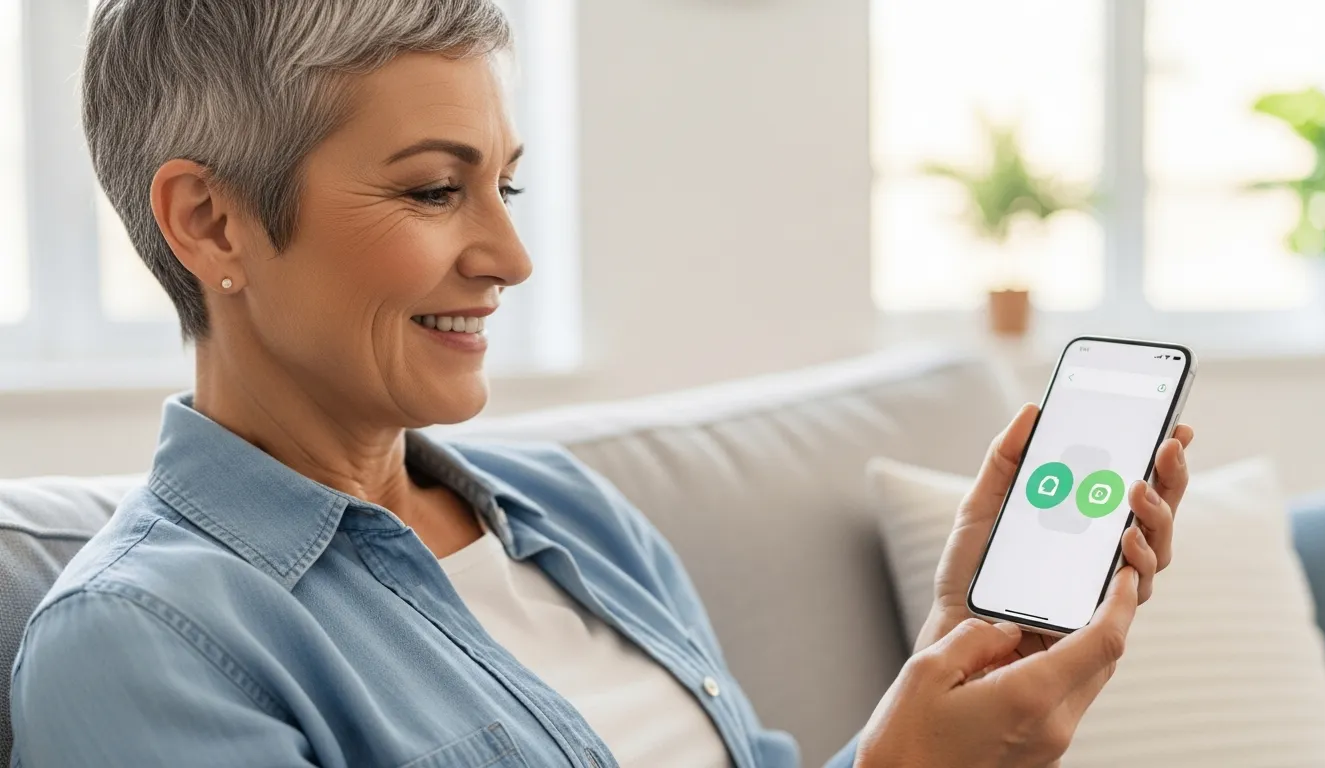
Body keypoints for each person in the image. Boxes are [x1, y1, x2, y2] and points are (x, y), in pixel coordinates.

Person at [8, 2, 1193, 766]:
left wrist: (941, 675)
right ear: (210, 222)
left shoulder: (570, 516)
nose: (509, 259)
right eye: (432, 190)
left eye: (504, 189)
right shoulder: (141, 645)